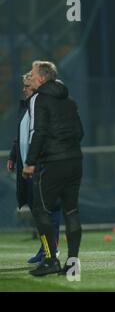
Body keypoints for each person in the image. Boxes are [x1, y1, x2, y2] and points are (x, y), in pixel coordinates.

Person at [22, 60, 84, 276]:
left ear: (41, 78)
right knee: (71, 211)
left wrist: (30, 162)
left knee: (41, 210)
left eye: (32, 73)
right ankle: (73, 264)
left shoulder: (38, 98)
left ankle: (50, 260)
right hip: (75, 160)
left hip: (53, 162)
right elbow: (80, 132)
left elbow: (37, 132)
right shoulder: (69, 99)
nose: (30, 76)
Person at [7, 72, 61, 265]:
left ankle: (51, 252)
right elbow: (20, 136)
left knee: (48, 210)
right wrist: (14, 156)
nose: (24, 89)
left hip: (43, 167)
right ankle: (45, 249)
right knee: (38, 212)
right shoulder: (27, 108)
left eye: (27, 86)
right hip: (29, 168)